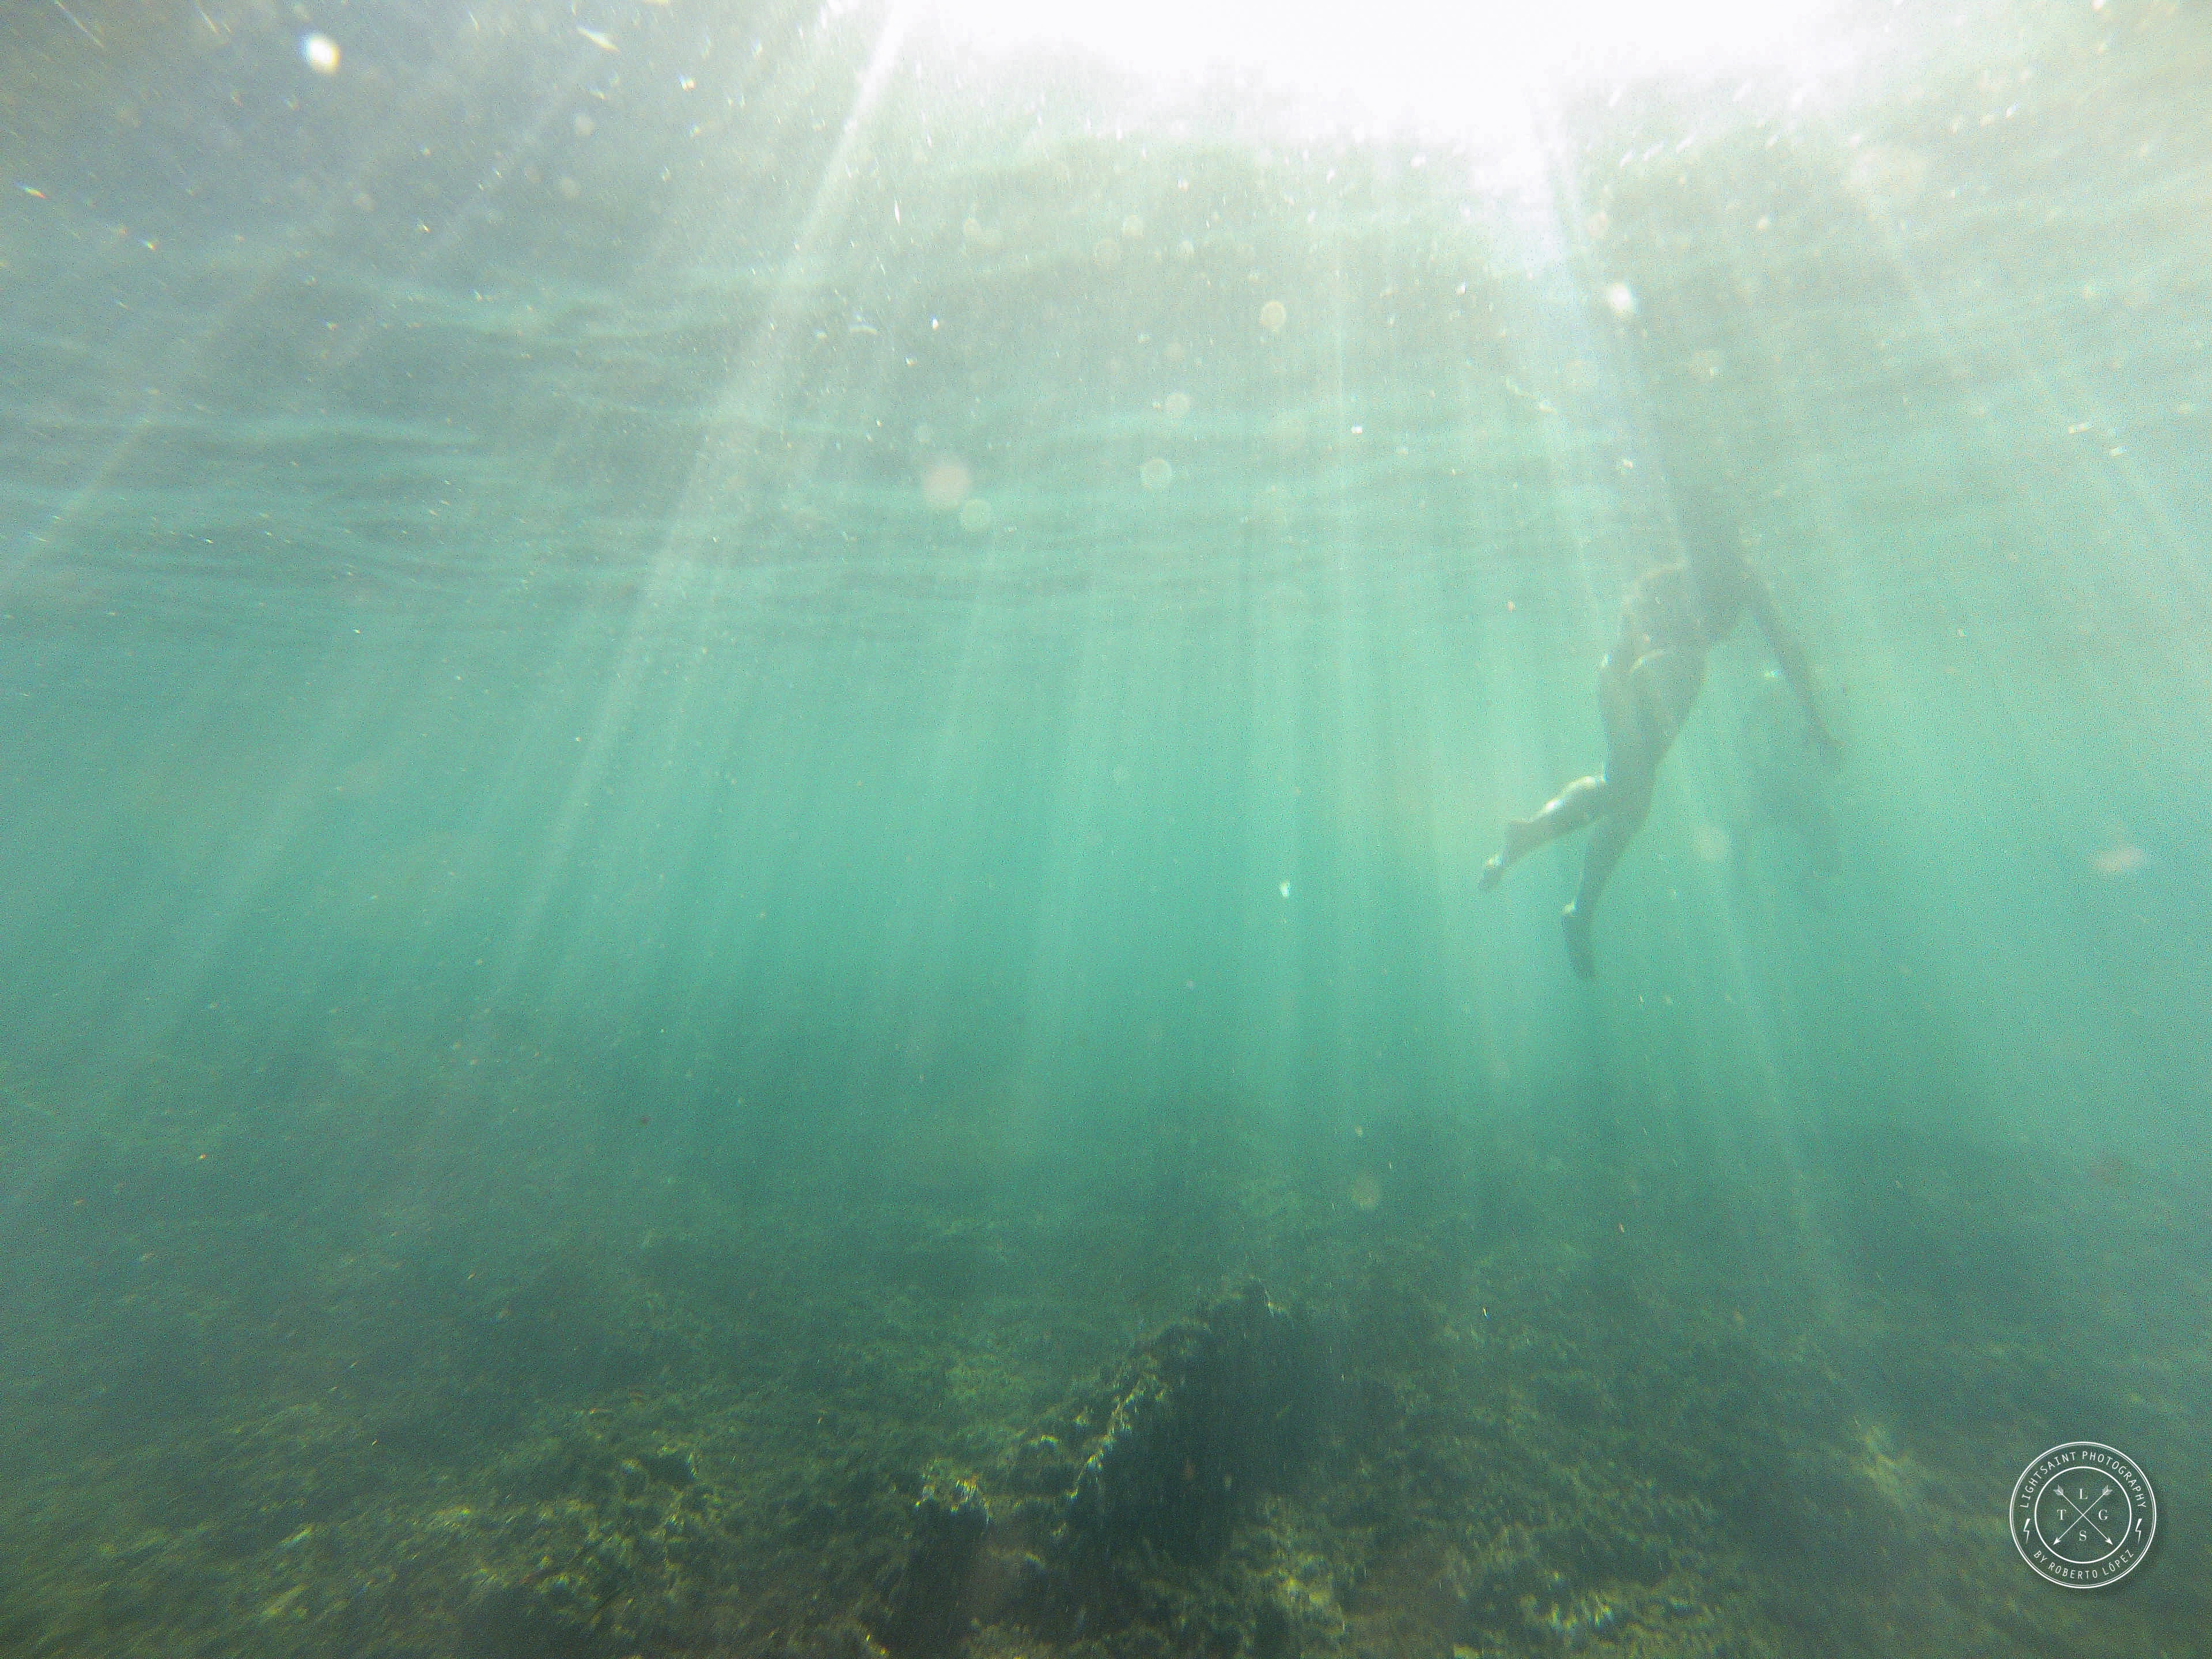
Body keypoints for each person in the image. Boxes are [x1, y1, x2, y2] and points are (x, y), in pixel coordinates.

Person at [1479, 493, 1843, 978]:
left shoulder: (1677, 576)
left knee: (1628, 799)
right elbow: (1785, 649)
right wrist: (1816, 721)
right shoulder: (1731, 580)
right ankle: (1540, 850)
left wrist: (1816, 720)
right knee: (1627, 793)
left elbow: (1629, 647)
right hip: (1662, 674)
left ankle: (1571, 897)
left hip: (1632, 675)